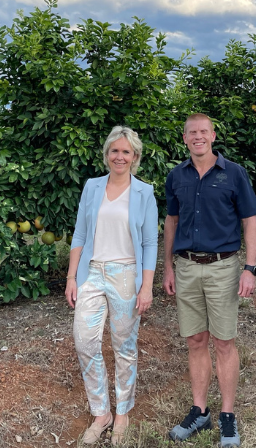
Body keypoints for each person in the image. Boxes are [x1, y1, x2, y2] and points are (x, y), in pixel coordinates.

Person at [162, 113, 256, 448]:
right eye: (192, 133)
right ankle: (200, 411)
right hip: (187, 267)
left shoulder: (233, 173)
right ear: (185, 137)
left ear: (213, 135)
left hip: (223, 268)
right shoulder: (176, 175)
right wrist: (168, 267)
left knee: (223, 343)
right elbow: (172, 222)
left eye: (204, 131)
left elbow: (250, 222)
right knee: (195, 341)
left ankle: (228, 417)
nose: (198, 137)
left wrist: (250, 268)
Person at [65, 126, 158, 446]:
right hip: (92, 274)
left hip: (125, 276)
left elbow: (149, 243)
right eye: (114, 151)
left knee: (124, 347)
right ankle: (101, 412)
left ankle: (122, 414)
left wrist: (146, 287)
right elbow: (79, 235)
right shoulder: (92, 187)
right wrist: (71, 277)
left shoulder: (144, 193)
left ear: (135, 157)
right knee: (84, 341)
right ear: (107, 155)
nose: (120, 156)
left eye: (126, 151)